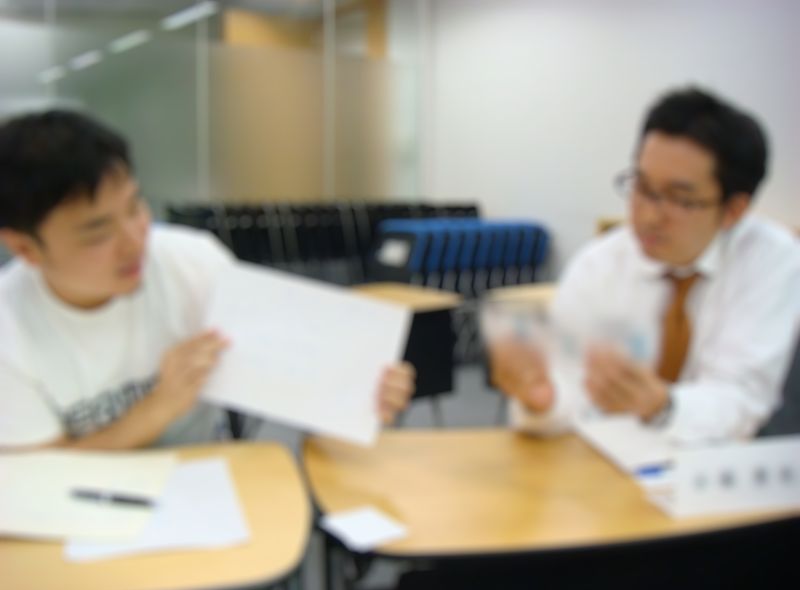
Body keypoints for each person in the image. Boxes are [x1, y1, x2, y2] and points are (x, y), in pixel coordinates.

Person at [0, 110, 415, 450]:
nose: (135, 240)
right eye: (98, 233)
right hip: (79, 509)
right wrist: (159, 407)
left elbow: (295, 376)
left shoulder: (193, 263)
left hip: (205, 480)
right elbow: (37, 473)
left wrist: (358, 393)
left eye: (135, 207)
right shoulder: (10, 327)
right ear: (25, 248)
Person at [490, 86, 800, 444]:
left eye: (679, 199)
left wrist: (661, 407)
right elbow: (569, 389)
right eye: (643, 187)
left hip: (720, 468)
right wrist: (543, 400)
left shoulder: (771, 260)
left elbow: (742, 399)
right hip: (608, 464)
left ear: (733, 210)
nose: (649, 215)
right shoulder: (599, 265)